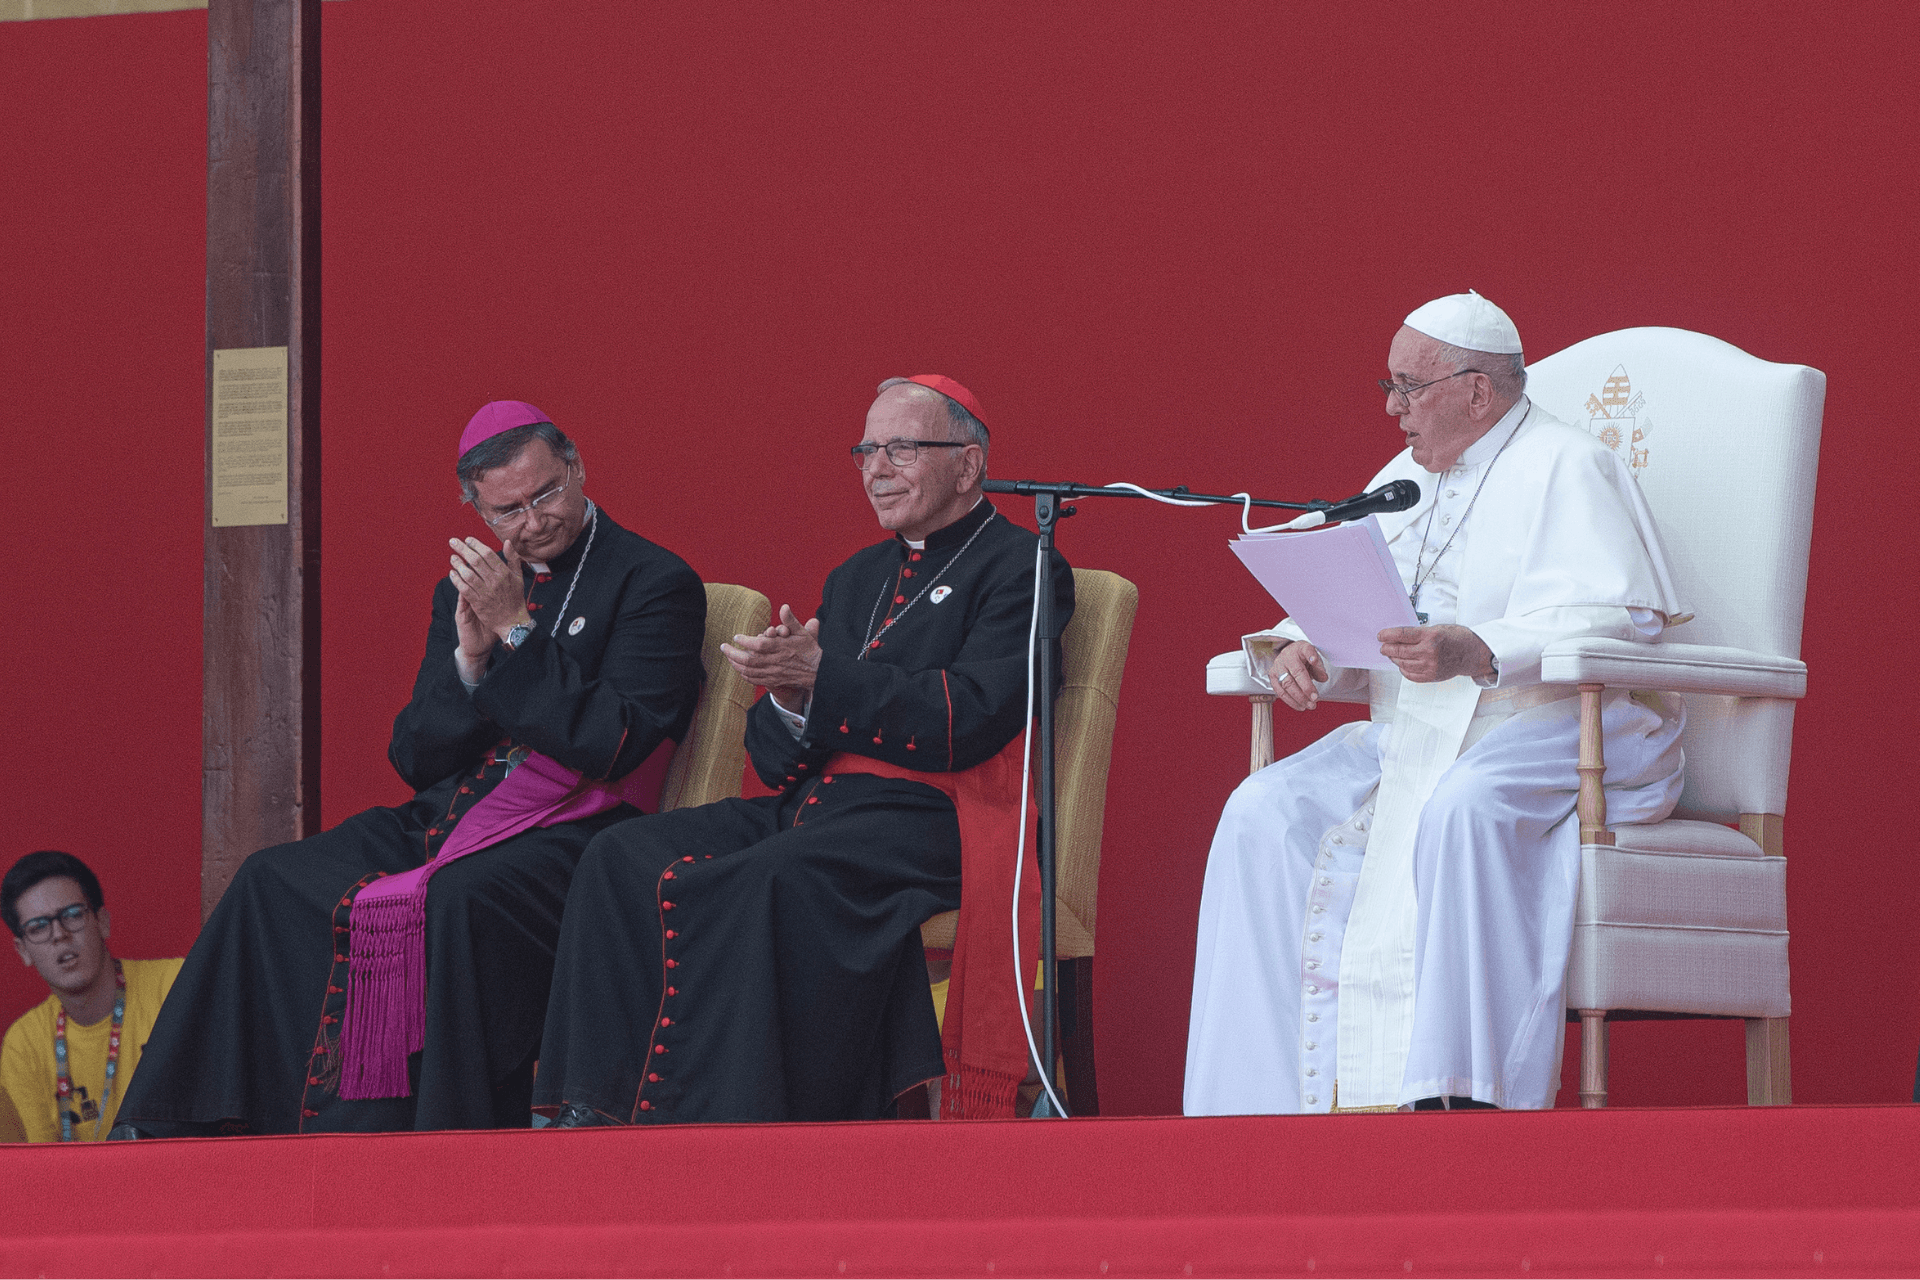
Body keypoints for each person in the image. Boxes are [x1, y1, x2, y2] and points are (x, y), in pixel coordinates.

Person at [115, 402, 707, 1136]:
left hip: (576, 833)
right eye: (507, 511)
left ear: (577, 467)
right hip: (453, 815)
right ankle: (197, 1122)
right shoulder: (468, 588)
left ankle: (420, 1138)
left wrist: (517, 628)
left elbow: (615, 741)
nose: (532, 522)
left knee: (452, 900)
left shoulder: (655, 581)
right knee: (271, 877)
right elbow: (415, 759)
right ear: (478, 509)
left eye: (545, 494)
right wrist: (470, 659)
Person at [1185, 292, 1687, 1115]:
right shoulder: (1401, 480)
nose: (1391, 409)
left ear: (1477, 391)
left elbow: (1622, 619)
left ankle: (1460, 1098)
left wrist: (1481, 649)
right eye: (1388, 387)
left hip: (1553, 720)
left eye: (1407, 388)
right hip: (1414, 730)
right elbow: (1354, 594)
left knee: (1461, 808)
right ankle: (1255, 1104)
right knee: (1260, 812)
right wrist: (1300, 646)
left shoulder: (1569, 464)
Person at [534, 374, 1074, 1126]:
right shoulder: (856, 578)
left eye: (900, 448)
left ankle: (734, 1121)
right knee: (618, 855)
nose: (876, 469)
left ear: (969, 465)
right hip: (823, 811)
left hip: (930, 821)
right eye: (866, 450)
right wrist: (789, 699)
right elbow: (773, 762)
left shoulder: (1024, 568)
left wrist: (827, 681)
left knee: (767, 878)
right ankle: (592, 1107)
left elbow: (973, 718)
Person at [2, 851, 184, 1142]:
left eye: (72, 914)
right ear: (23, 950)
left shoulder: (175, 986)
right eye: (38, 927)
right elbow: (38, 1168)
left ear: (102, 922)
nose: (59, 934)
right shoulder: (24, 1045)